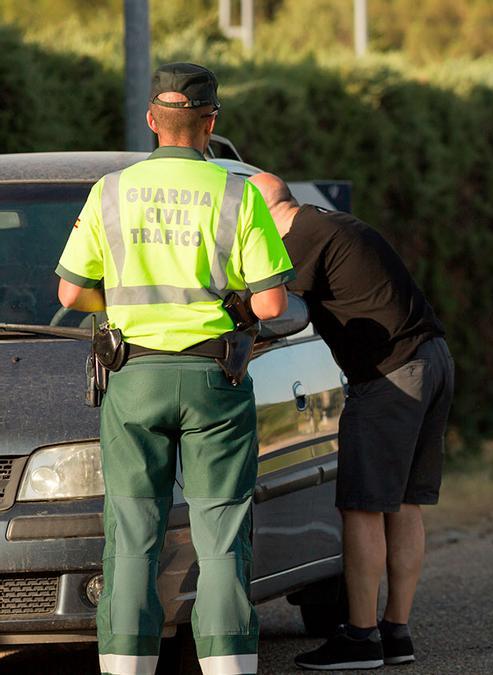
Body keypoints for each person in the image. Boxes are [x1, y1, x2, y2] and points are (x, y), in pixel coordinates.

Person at [56, 63, 294, 675]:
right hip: (215, 381)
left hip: (133, 380)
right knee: (221, 536)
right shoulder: (238, 192)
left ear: (150, 122)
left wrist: (126, 302)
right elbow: (271, 304)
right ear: (211, 123)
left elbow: (69, 293)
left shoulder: (109, 191)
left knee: (133, 537)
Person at [247, 173, 453, 670]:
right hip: (433, 359)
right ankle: (395, 633)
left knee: (362, 507)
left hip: (389, 375)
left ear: (260, 213)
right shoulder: (331, 225)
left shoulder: (297, 240)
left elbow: (265, 312)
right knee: (403, 503)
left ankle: (361, 638)